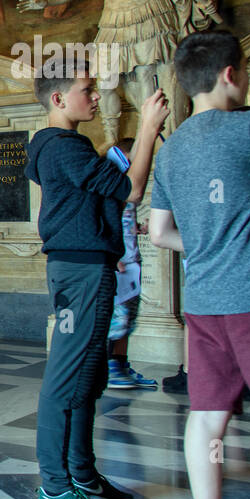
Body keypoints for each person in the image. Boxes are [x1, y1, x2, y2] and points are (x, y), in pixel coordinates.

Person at [147, 31, 250, 499]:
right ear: (230, 74)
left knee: (208, 417)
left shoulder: (171, 150)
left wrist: (209, 241)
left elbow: (160, 234)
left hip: (205, 302)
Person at [24, 68, 168, 499]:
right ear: (58, 98)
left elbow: (109, 185)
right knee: (66, 378)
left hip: (90, 264)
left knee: (88, 374)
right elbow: (132, 190)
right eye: (86, 91)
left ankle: (82, 476)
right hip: (80, 269)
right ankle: (55, 489)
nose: (95, 98)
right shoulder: (62, 146)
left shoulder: (67, 147)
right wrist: (147, 128)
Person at [103, 138, 158, 390]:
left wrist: (137, 228)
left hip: (131, 261)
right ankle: (107, 368)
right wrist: (113, 255)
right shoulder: (109, 188)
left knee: (129, 317)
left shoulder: (126, 191)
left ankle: (120, 365)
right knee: (117, 320)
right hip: (120, 263)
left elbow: (123, 221)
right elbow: (103, 221)